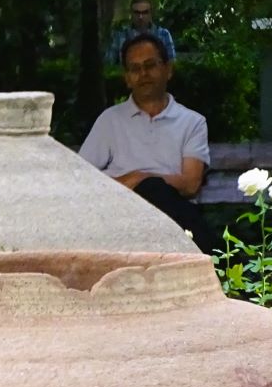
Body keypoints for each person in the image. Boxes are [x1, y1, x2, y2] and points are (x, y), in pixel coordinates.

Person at [79, 32, 215, 253]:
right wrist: (131, 182)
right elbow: (82, 177)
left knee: (154, 188)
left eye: (150, 65)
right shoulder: (110, 120)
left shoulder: (192, 122)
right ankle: (227, 267)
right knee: (150, 189)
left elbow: (190, 184)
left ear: (168, 69)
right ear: (127, 78)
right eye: (134, 68)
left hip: (174, 217)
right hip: (123, 217)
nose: (143, 74)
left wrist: (142, 177)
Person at [105, 0, 176, 65]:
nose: (140, 17)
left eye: (145, 12)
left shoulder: (163, 34)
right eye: (137, 12)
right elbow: (109, 64)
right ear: (131, 14)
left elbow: (171, 63)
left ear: (151, 14)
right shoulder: (120, 35)